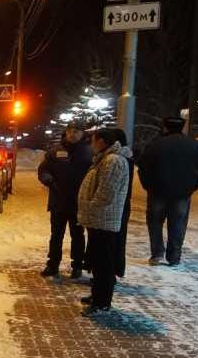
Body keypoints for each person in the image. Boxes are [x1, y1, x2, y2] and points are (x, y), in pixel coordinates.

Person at [137, 117, 198, 266]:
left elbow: (143, 166)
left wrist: (148, 185)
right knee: (178, 223)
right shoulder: (194, 145)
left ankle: (157, 253)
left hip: (157, 191)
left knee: (155, 222)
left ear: (165, 127)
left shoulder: (155, 144)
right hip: (182, 192)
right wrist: (193, 186)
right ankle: (174, 256)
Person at [77, 129, 131, 316]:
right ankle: (97, 295)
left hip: (104, 219)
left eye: (93, 140)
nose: (91, 144)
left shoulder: (113, 161)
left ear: (101, 141)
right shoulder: (106, 159)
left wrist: (90, 207)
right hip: (99, 219)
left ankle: (102, 302)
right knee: (98, 262)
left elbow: (106, 194)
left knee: (104, 263)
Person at [37, 121, 93, 279]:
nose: (73, 133)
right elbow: (43, 169)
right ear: (66, 132)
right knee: (56, 235)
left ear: (83, 133)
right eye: (70, 130)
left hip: (79, 202)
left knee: (78, 235)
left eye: (77, 131)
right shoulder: (56, 150)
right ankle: (53, 264)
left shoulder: (89, 152)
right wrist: (48, 179)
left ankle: (77, 266)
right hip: (58, 200)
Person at [111, 129, 136, 278]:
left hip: (115, 206)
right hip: (123, 204)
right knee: (118, 240)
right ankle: (113, 271)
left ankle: (109, 274)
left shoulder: (117, 160)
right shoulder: (127, 158)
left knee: (112, 241)